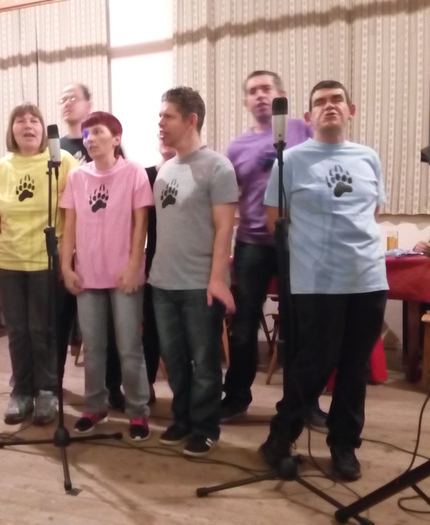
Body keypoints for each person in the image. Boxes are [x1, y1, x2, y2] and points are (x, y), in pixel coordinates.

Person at [260, 80, 388, 481]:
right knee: (313, 365)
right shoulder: (290, 161)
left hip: (367, 278)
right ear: (308, 116)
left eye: (336, 100)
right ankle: (280, 438)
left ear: (351, 109)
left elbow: (371, 213)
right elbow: (275, 221)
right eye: (320, 102)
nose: (329, 105)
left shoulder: (368, 157)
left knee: (354, 368)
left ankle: (344, 444)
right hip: (316, 283)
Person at [221, 70, 327, 430]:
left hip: (298, 243)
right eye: (253, 91)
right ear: (245, 101)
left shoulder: (303, 130)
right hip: (252, 244)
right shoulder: (236, 148)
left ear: (280, 94)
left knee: (298, 327)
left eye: (266, 88)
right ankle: (236, 397)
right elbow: (227, 199)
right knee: (243, 326)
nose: (260, 95)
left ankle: (302, 403)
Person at [150, 87, 238, 457]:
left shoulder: (218, 167)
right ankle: (183, 418)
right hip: (162, 282)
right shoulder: (164, 170)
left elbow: (224, 227)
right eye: (159, 116)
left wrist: (217, 279)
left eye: (167, 116)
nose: (160, 123)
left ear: (191, 120)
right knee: (174, 360)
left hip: (199, 284)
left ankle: (205, 426)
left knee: (204, 363)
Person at [0, 102, 78, 426]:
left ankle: (47, 390)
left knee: (43, 329)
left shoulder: (62, 161)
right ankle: (21, 390)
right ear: (12, 130)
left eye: (34, 120)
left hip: (47, 261)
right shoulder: (1, 168)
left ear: (43, 129)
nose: (28, 125)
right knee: (17, 330)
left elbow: (75, 216)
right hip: (9, 261)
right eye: (20, 121)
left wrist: (69, 260)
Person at [60, 111, 152, 440]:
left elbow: (141, 225)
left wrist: (133, 265)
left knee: (129, 347)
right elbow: (69, 226)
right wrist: (66, 266)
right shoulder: (77, 177)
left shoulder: (134, 172)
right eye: (86, 134)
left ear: (116, 138)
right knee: (93, 348)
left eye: (98, 132)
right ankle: (94, 406)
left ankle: (138, 411)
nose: (90, 139)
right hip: (88, 274)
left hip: (124, 273)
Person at [58, 82, 126, 410]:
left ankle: (113, 387)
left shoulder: (106, 139)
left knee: (108, 330)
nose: (68, 103)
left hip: (105, 258)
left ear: (89, 103)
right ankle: (53, 385)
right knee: (62, 322)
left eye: (74, 98)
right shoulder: (55, 149)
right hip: (68, 248)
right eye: (63, 99)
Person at [142, 141, 176, 403]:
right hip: (154, 261)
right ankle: (146, 383)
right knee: (151, 327)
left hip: (187, 264)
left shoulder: (195, 170)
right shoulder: (145, 176)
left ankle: (185, 392)